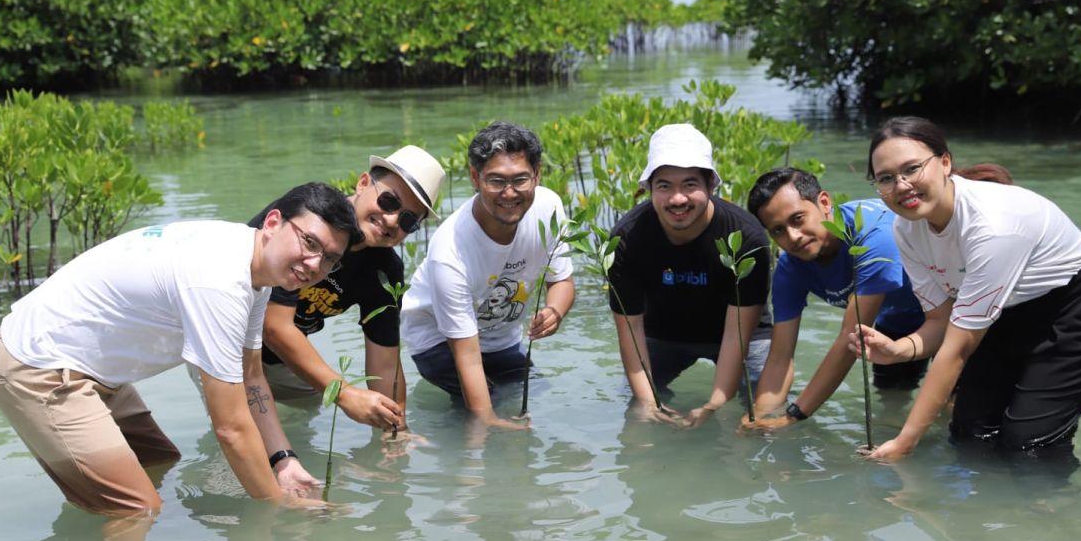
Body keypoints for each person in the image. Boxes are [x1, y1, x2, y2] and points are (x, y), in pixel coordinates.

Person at [0, 183, 360, 516]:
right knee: (138, 511)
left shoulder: (256, 270)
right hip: (39, 366)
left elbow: (251, 377)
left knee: (159, 460)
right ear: (274, 222)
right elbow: (230, 428)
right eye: (309, 242)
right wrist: (278, 510)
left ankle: (98, 503)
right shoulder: (219, 282)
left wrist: (284, 462)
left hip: (92, 368)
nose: (314, 264)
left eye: (329, 259)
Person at [854, 116, 1081, 459]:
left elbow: (956, 351)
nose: (901, 186)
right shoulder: (906, 230)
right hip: (1003, 314)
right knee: (970, 435)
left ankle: (1050, 506)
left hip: (1075, 311)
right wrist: (901, 349)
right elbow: (940, 322)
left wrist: (905, 441)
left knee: (1027, 446)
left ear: (945, 162)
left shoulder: (992, 225)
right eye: (886, 178)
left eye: (912, 169)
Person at [247, 146, 445, 432]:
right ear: (363, 184)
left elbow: (385, 363)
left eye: (407, 221)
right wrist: (346, 394)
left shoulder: (385, 271)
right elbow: (274, 327)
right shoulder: (311, 212)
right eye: (389, 201)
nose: (391, 220)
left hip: (275, 356)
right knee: (247, 435)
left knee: (311, 402)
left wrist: (397, 429)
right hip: (225, 332)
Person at [401, 121, 575, 430]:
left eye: (521, 179)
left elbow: (561, 280)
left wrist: (554, 311)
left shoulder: (549, 207)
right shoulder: (450, 250)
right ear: (474, 178)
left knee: (535, 391)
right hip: (437, 340)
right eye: (496, 181)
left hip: (500, 337)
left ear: (537, 175)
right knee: (487, 409)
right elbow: (466, 357)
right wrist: (488, 421)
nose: (509, 193)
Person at [606, 123, 772, 426]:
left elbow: (736, 336)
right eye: (664, 186)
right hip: (663, 334)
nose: (677, 199)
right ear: (648, 189)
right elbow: (630, 331)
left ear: (711, 184)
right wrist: (648, 403)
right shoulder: (627, 239)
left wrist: (714, 404)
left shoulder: (746, 238)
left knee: (763, 410)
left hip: (738, 333)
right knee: (636, 410)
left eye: (690, 185)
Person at [743, 168, 925, 428]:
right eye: (778, 230)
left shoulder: (874, 238)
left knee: (959, 413)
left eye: (797, 219)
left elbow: (849, 339)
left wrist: (792, 416)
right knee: (892, 403)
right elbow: (780, 357)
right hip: (896, 320)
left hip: (952, 314)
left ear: (824, 203)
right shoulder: (790, 269)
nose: (792, 237)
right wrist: (759, 417)